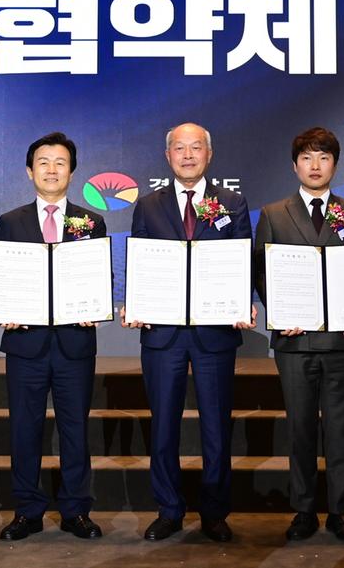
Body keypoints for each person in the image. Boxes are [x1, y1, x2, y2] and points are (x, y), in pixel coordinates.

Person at [121, 122, 257, 542]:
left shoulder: (232, 203)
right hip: (163, 334)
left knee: (216, 427)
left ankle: (214, 512)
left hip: (215, 332)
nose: (188, 155)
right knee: (163, 426)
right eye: (179, 148)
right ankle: (169, 510)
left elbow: (243, 259)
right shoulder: (148, 205)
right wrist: (135, 302)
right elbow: (140, 260)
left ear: (209, 155)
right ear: (168, 156)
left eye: (196, 147)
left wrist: (242, 301)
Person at [253, 127, 344, 543]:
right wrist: (278, 314)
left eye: (323, 157)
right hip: (294, 341)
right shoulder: (273, 214)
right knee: (300, 428)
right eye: (307, 158)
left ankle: (340, 511)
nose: (315, 165)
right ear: (294, 166)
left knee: (341, 430)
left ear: (334, 164)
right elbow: (262, 274)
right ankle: (303, 510)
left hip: (341, 341)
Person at [0, 132, 106, 541]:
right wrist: (5, 308)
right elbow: (3, 275)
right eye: (43, 162)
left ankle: (76, 511)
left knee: (75, 430)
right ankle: (27, 511)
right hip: (26, 344)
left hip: (75, 343)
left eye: (60, 162)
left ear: (72, 172)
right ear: (30, 171)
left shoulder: (91, 221)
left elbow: (100, 274)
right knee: (25, 430)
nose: (52, 170)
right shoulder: (11, 221)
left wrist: (97, 304)